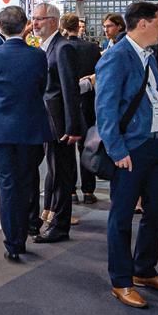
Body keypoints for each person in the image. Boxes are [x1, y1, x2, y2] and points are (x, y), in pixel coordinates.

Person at [95, 1, 158, 309]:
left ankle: (144, 270)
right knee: (121, 216)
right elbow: (105, 108)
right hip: (130, 149)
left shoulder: (149, 57)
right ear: (142, 24)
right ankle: (121, 280)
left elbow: (155, 101)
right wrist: (117, 149)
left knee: (157, 211)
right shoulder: (116, 57)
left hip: (156, 144)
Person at [0, 5, 51, 260]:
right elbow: (42, 85)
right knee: (27, 180)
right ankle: (25, 230)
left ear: (0, 26)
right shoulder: (38, 55)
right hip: (30, 126)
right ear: (25, 26)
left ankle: (13, 241)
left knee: (7, 185)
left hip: (1, 127)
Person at [31, 2, 84, 243]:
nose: (34, 23)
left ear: (53, 21)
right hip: (45, 121)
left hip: (60, 124)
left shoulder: (63, 48)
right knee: (53, 172)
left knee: (61, 175)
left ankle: (60, 226)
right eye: (33, 18)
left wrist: (72, 127)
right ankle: (48, 219)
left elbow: (69, 90)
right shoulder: (46, 47)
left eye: (39, 19)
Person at [61, 12, 101, 204]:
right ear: (79, 27)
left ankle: (70, 191)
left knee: (67, 150)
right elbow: (98, 75)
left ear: (62, 27)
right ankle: (88, 191)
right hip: (88, 102)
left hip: (66, 104)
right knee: (88, 146)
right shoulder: (92, 48)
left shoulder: (60, 47)